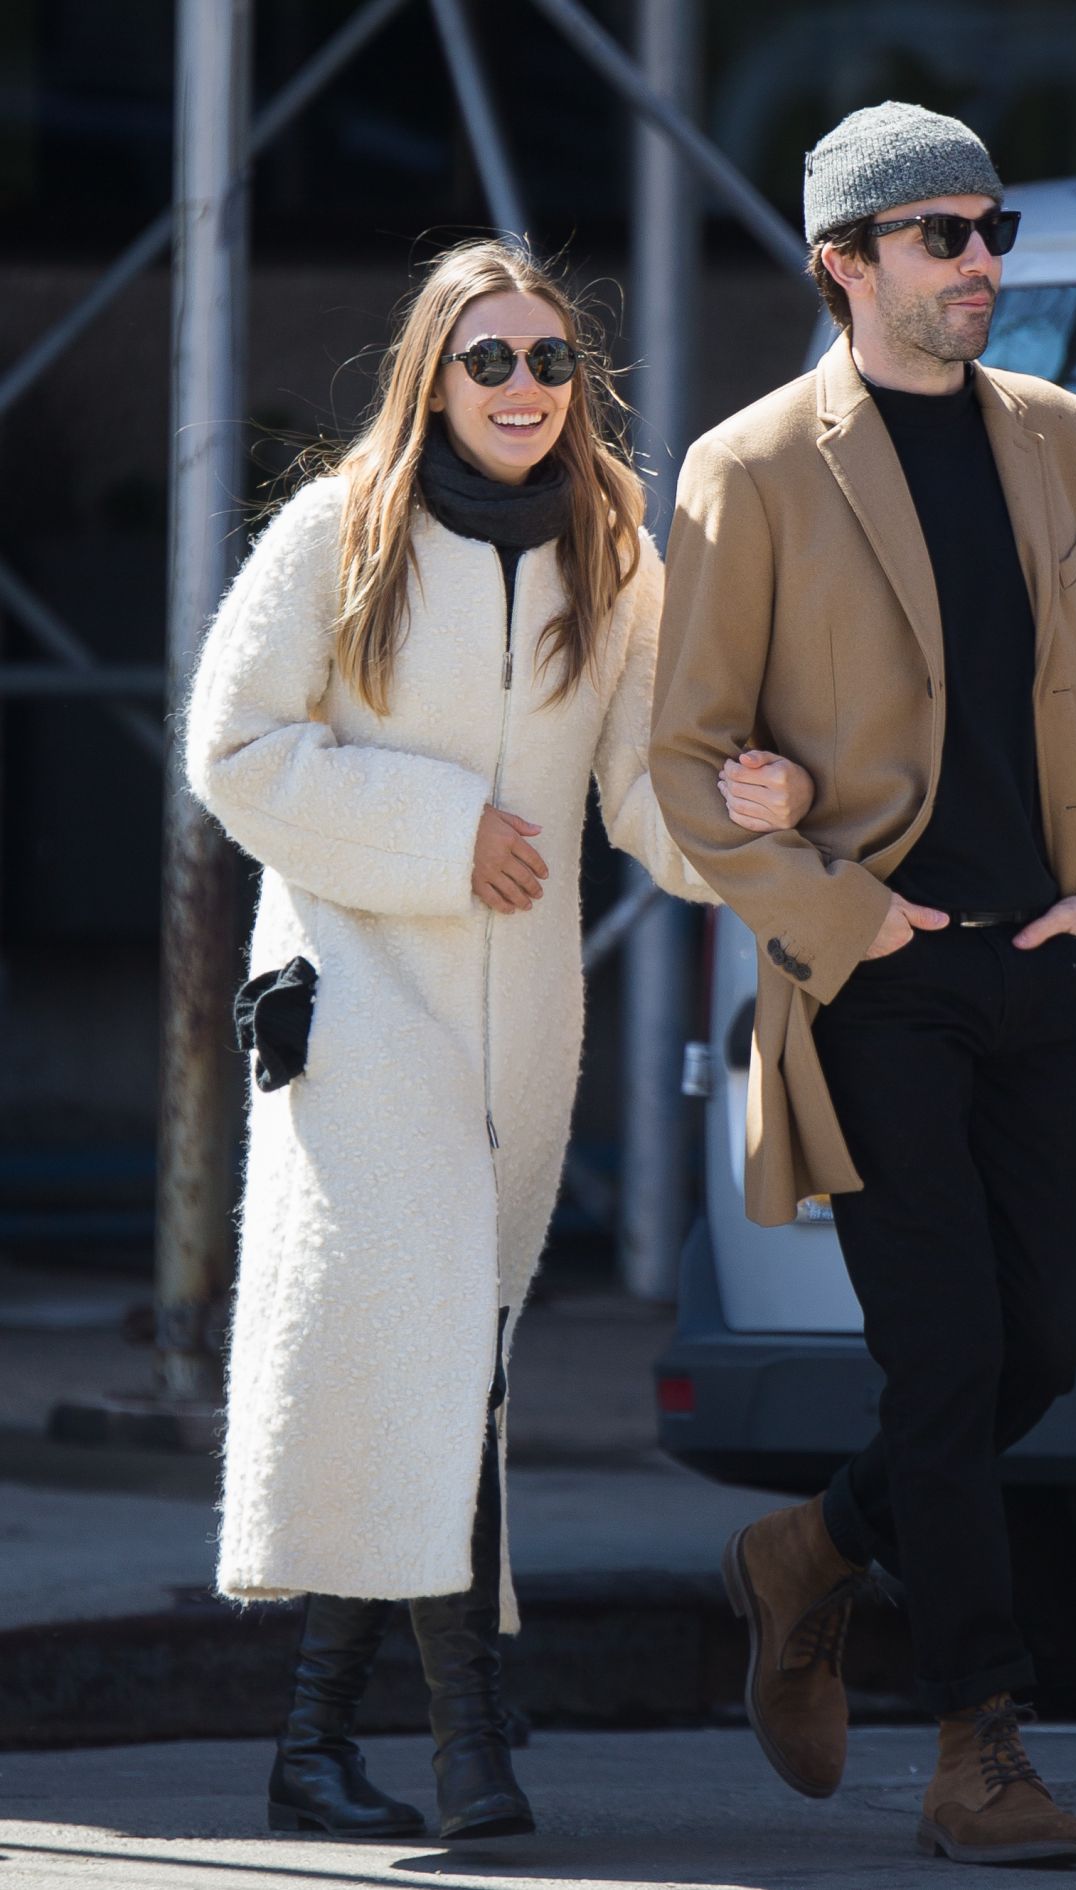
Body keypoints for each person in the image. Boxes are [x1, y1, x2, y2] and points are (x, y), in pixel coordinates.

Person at [185, 239, 813, 1842]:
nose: (525, 387)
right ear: (430, 375)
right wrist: (438, 825)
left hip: (519, 1019)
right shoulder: (342, 523)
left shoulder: (614, 547)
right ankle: (476, 1741)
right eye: (490, 360)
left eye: (550, 362)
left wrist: (750, 815)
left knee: (436, 1356)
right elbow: (233, 747)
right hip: (351, 992)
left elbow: (637, 790)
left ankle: (313, 1740)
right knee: (437, 1344)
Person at [650, 102, 1076, 1868]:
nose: (982, 265)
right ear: (844, 263)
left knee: (1050, 1340)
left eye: (992, 229)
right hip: (877, 981)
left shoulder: (1067, 436)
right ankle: (978, 1740)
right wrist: (842, 915)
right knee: (943, 1357)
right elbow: (684, 753)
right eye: (940, 237)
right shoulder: (755, 466)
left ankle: (809, 1551)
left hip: (1041, 966)